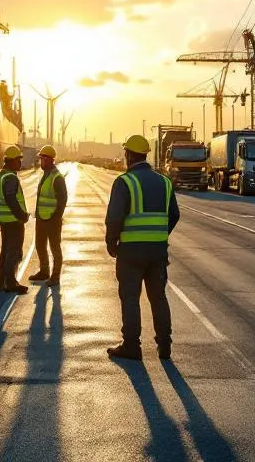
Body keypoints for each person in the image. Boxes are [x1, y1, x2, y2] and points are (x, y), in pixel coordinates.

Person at [105, 134, 180, 361]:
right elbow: (174, 215)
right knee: (158, 297)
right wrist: (158, 234)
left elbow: (114, 218)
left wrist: (111, 242)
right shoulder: (165, 182)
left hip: (130, 252)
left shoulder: (124, 182)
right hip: (157, 251)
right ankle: (164, 344)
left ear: (128, 155)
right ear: (145, 154)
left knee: (130, 297)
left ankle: (131, 346)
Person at [28, 144, 68, 286]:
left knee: (55, 248)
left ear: (50, 160)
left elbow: (63, 199)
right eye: (40, 159)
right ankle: (44, 271)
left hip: (52, 219)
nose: (41, 161)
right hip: (41, 218)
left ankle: (55, 277)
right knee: (39, 245)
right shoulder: (45, 175)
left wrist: (56, 217)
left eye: (43, 159)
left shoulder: (57, 177)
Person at [0, 145, 30, 294]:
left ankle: (3, 282)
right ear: (12, 161)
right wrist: (22, 215)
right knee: (14, 252)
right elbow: (11, 198)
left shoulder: (1, 175)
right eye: (18, 160)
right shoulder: (10, 177)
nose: (20, 163)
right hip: (13, 221)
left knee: (6, 251)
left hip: (4, 220)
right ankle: (10, 283)